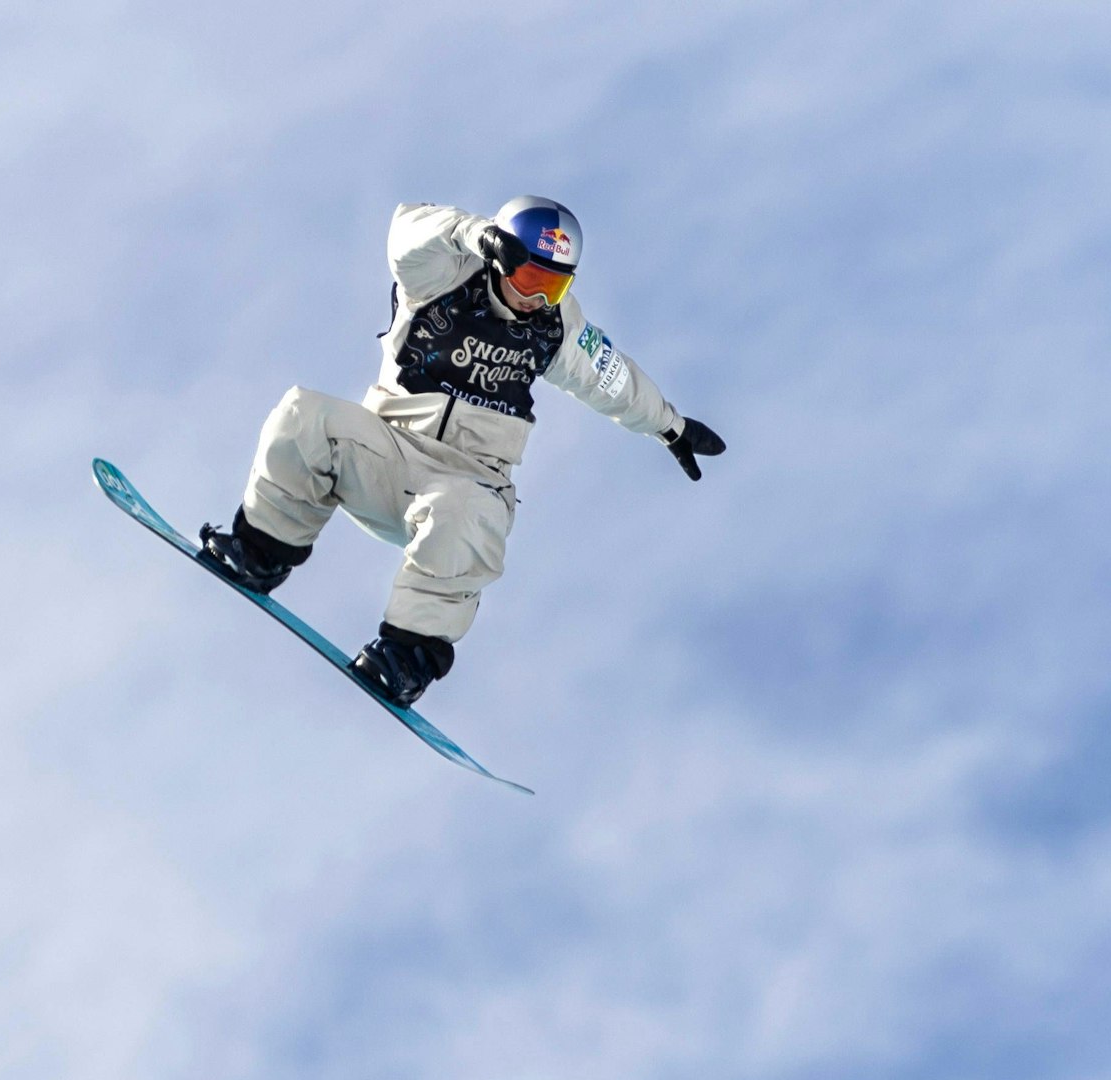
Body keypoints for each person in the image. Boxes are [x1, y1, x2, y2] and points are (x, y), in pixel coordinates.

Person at [197, 196, 725, 707]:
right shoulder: (441, 275)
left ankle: (407, 656)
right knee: (303, 415)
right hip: (389, 456)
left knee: (463, 509)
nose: (536, 299)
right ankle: (261, 551)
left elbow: (615, 381)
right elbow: (405, 230)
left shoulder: (556, 329)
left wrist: (671, 427)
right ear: (499, 256)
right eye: (529, 278)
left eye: (554, 286)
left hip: (471, 481)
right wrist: (470, 233)